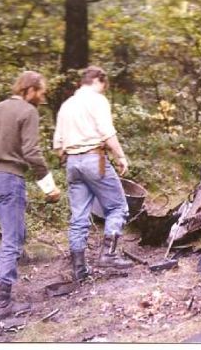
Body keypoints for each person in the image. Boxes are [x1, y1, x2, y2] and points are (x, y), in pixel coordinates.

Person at [53, 65, 132, 281]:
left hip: (72, 163)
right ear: (99, 80)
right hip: (93, 159)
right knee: (117, 206)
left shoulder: (67, 105)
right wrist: (120, 156)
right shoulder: (97, 100)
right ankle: (108, 255)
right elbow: (108, 134)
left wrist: (73, 155)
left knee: (78, 217)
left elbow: (58, 146)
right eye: (104, 85)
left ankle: (79, 270)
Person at [0, 71, 61, 318]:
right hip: (9, 180)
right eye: (41, 92)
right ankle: (2, 304)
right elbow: (32, 152)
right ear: (30, 89)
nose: (42, 98)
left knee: (10, 238)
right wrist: (49, 187)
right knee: (12, 240)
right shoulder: (27, 112)